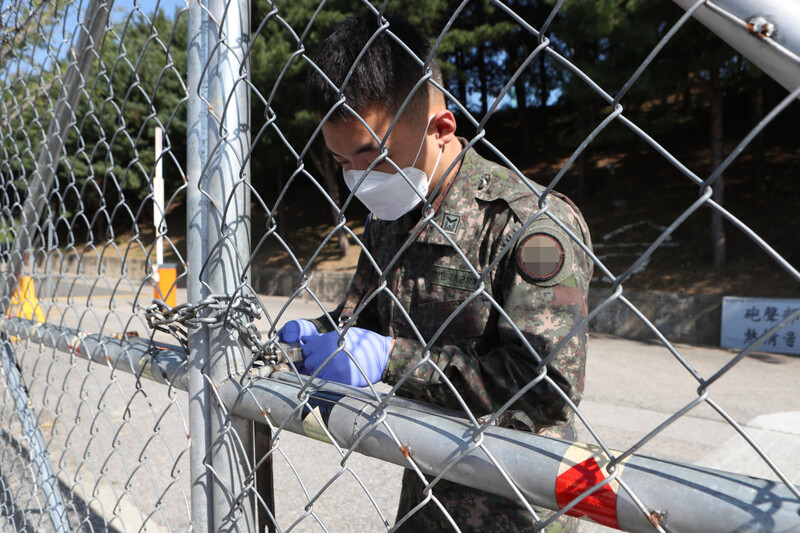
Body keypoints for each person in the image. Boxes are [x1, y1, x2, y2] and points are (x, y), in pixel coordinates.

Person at [278, 13, 593, 533]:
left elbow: (544, 386)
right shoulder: (392, 214)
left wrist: (388, 362)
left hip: (512, 503)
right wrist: (321, 334)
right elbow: (374, 315)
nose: (359, 179)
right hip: (425, 488)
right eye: (341, 163)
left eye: (372, 156)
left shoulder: (530, 225)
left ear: (441, 128)